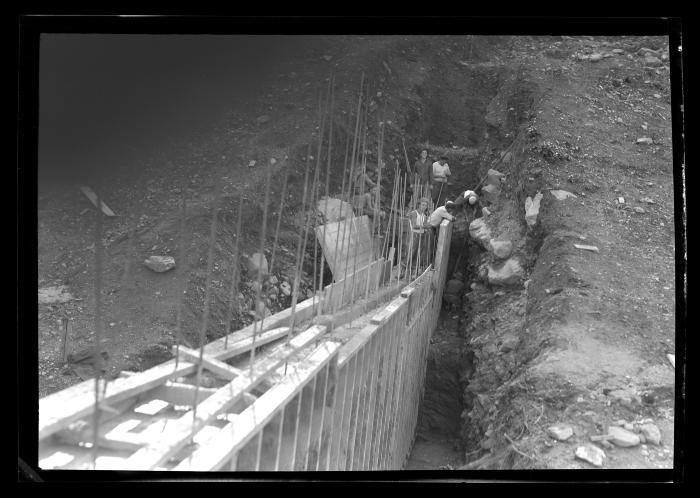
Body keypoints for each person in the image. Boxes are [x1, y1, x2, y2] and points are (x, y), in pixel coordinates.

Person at [406, 197, 430, 272]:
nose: (424, 207)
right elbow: (414, 226)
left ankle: (413, 270)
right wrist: (425, 226)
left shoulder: (424, 216)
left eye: (425, 205)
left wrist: (427, 226)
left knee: (418, 253)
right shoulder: (414, 213)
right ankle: (403, 270)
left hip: (422, 236)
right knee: (411, 253)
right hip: (414, 235)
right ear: (419, 205)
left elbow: (425, 226)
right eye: (422, 205)